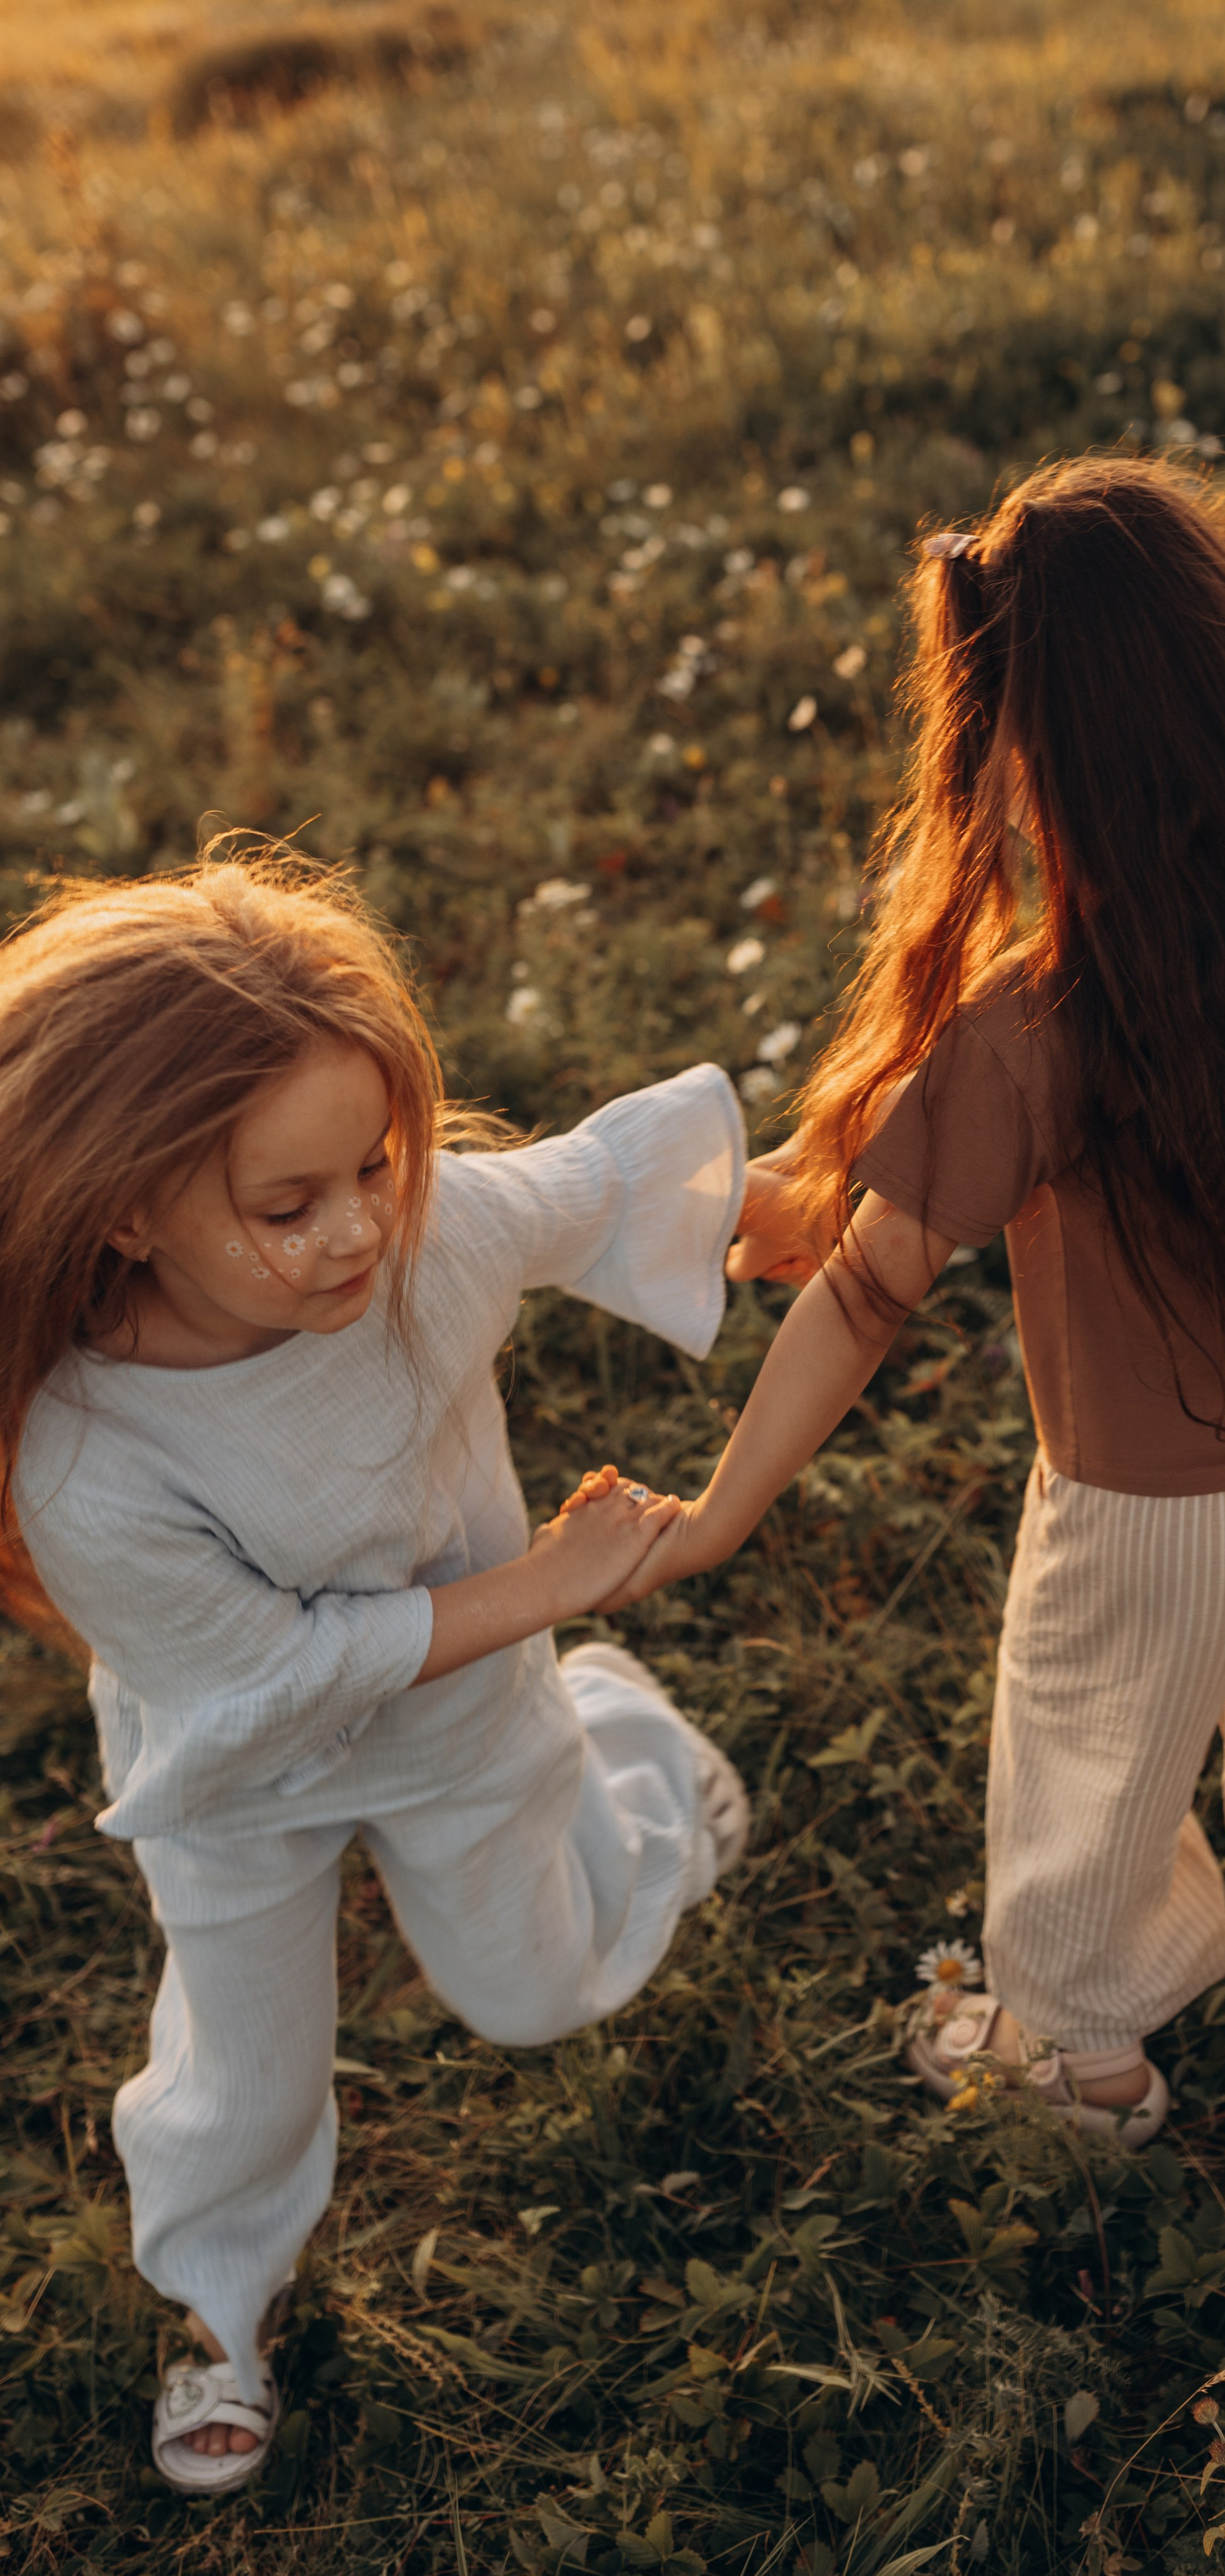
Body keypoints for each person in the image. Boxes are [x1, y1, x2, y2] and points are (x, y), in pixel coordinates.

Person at [627, 456, 1225, 2285]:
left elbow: (863, 1297)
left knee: (1082, 1802)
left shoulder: (1036, 1015)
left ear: (1027, 749)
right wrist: (838, 1166)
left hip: (1149, 1524)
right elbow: (895, 1177)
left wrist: (715, 1513)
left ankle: (1084, 2073)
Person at [0, 856, 796, 2493]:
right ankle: (219, 2311)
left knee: (535, 1994)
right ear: (128, 1208)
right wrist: (547, 1585)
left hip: (462, 1730)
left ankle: (638, 1754)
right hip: (235, 1786)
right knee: (247, 2072)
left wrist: (758, 1206)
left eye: (372, 1165)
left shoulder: (424, 1242)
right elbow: (270, 1684)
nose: (358, 1225)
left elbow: (588, 1184)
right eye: (284, 1207)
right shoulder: (87, 1457)